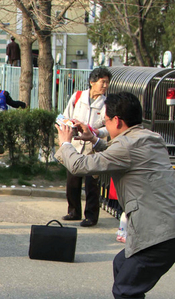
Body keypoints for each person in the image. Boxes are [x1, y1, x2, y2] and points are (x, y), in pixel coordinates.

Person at [56, 92, 175, 299]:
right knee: (122, 263)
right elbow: (119, 152)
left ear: (118, 120)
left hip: (163, 232)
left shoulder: (128, 146)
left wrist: (66, 143)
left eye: (105, 121)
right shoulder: (146, 138)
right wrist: (94, 139)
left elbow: (80, 165)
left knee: (127, 290)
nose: (103, 125)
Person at [61, 66, 111, 227]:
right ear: (92, 82)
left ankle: (91, 216)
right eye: (102, 82)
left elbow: (108, 126)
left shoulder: (106, 103)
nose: (105, 86)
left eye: (107, 83)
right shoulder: (77, 97)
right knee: (72, 181)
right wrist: (69, 126)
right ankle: (73, 211)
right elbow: (66, 116)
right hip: (75, 145)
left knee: (92, 184)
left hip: (93, 148)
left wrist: (96, 131)